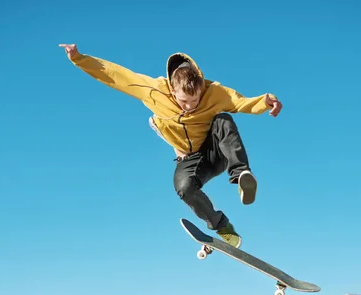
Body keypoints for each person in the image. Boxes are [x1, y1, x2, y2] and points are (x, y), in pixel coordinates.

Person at [58, 44, 282, 248]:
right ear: (173, 90)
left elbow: (241, 102)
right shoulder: (154, 90)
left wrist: (266, 102)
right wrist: (79, 58)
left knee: (223, 119)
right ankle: (222, 226)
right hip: (191, 160)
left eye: (195, 101)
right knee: (183, 188)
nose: (190, 107)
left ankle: (241, 174)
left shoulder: (215, 92)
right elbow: (117, 75)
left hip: (216, 152)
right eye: (184, 101)